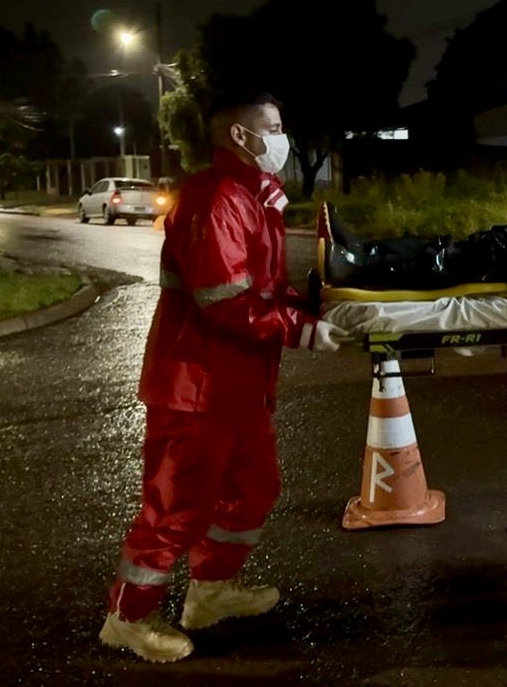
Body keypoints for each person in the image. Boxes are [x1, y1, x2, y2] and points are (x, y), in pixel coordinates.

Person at [99, 89, 342, 663]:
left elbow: (263, 289)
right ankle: (128, 618)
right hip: (196, 386)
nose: (282, 140)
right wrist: (301, 330)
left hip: (239, 384)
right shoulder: (216, 199)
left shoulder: (255, 199)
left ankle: (209, 593)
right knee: (178, 505)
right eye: (275, 128)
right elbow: (224, 300)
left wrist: (315, 309)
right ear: (240, 135)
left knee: (252, 490)